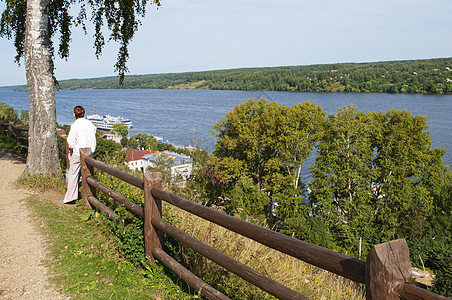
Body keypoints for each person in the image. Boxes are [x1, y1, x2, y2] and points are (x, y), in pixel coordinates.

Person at [62, 106, 97, 204]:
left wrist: (71, 149)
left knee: (73, 173)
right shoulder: (90, 124)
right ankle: (89, 195)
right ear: (84, 114)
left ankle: (70, 197)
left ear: (74, 114)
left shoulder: (75, 125)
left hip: (78, 152)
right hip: (89, 151)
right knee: (88, 173)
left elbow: (70, 141)